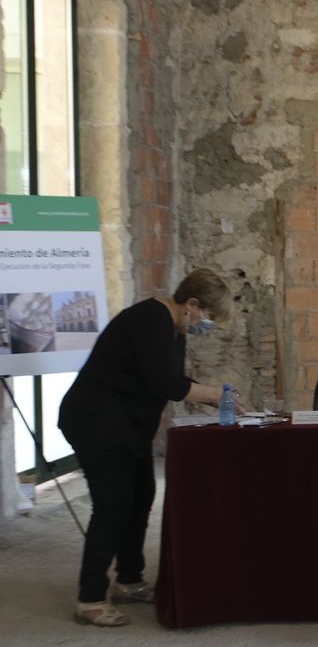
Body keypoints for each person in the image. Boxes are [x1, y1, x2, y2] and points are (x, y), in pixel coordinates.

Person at [58, 269, 233, 627]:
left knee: (140, 499)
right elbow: (164, 382)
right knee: (113, 506)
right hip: (96, 422)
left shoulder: (175, 328)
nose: (208, 326)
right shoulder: (149, 319)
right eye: (209, 318)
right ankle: (90, 598)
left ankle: (129, 580)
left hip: (126, 426)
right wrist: (215, 395)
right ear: (192, 304)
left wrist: (217, 397)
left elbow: (175, 379)